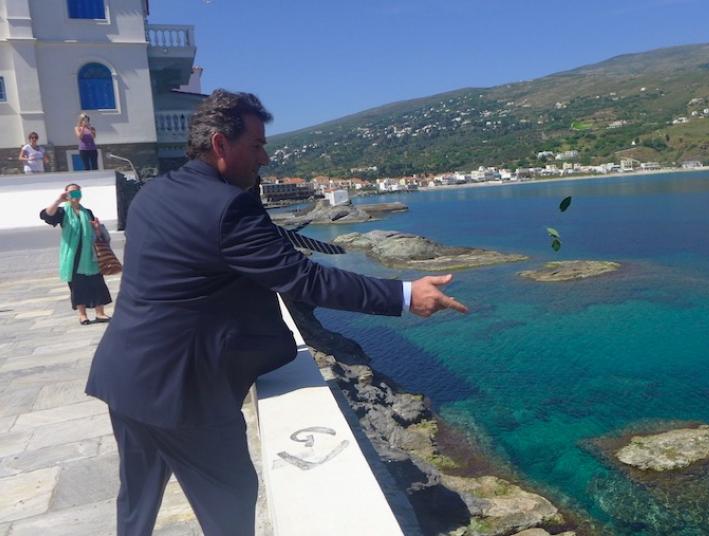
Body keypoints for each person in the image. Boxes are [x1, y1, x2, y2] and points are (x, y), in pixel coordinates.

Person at [86, 89, 468, 536]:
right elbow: (305, 279)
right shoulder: (229, 207)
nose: (264, 158)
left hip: (123, 374)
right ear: (220, 144)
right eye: (257, 145)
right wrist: (404, 295)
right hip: (185, 391)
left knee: (136, 503)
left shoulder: (152, 194)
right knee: (229, 507)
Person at [40, 183, 113, 325]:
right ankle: (82, 315)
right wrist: (59, 200)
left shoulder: (87, 212)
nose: (75, 195)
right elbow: (47, 216)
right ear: (66, 194)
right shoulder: (62, 212)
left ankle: (100, 313)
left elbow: (94, 232)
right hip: (73, 255)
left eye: (77, 192)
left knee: (97, 282)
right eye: (72, 192)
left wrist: (97, 229)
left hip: (90, 253)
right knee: (77, 285)